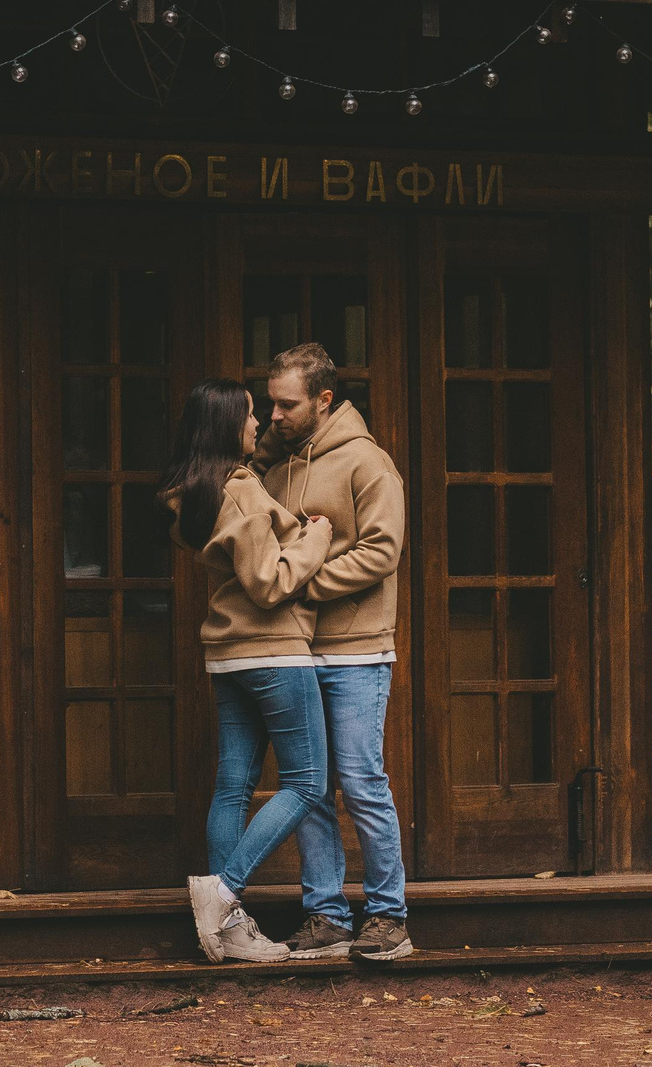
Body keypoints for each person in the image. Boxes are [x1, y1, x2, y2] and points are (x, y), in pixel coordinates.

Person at [163, 376, 333, 965]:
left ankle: (230, 930)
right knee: (308, 782)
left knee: (233, 787)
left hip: (229, 653)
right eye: (251, 414)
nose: (259, 424)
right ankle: (224, 894)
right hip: (273, 649)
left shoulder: (196, 491)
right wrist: (316, 539)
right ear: (227, 425)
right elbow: (268, 583)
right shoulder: (238, 490)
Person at [259, 342, 415, 965]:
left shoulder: (367, 462)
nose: (274, 415)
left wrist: (304, 583)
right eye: (270, 404)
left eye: (287, 405)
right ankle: (326, 917)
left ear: (324, 400)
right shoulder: (277, 465)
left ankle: (389, 918)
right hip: (293, 650)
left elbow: (383, 550)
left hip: (356, 650)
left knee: (362, 782)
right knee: (310, 789)